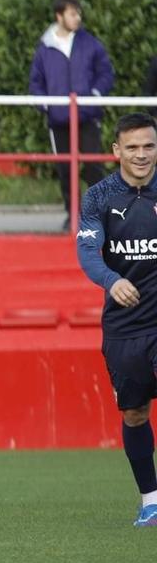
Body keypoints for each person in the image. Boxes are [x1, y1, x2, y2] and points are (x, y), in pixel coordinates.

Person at [75, 112, 157, 527]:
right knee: (135, 413)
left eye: (149, 146)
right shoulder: (98, 197)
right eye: (133, 147)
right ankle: (151, 501)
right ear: (116, 151)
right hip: (125, 327)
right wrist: (111, 280)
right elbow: (87, 253)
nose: (142, 155)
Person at [28, 0, 115, 218]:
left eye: (78, 13)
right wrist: (45, 104)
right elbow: (36, 82)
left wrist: (94, 94)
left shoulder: (91, 43)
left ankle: (100, 216)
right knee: (66, 170)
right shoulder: (44, 49)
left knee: (93, 167)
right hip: (58, 119)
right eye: (72, 14)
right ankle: (73, 215)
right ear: (60, 16)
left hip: (87, 115)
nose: (78, 18)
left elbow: (106, 73)